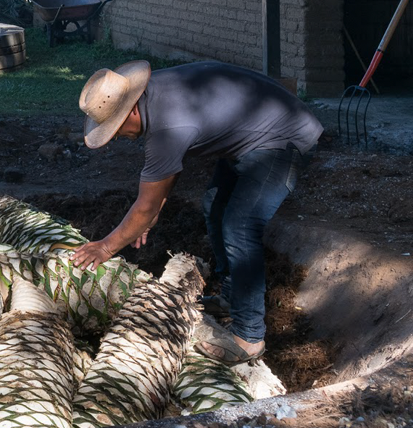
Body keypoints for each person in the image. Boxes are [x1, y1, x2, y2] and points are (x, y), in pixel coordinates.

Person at [70, 60, 323, 363]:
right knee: (214, 207)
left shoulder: (167, 126)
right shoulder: (156, 95)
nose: (119, 137)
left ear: (132, 110)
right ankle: (232, 299)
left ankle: (250, 337)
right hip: (251, 136)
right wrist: (148, 218)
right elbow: (167, 176)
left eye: (117, 128)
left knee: (240, 226)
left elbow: (147, 201)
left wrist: (106, 246)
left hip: (282, 140)